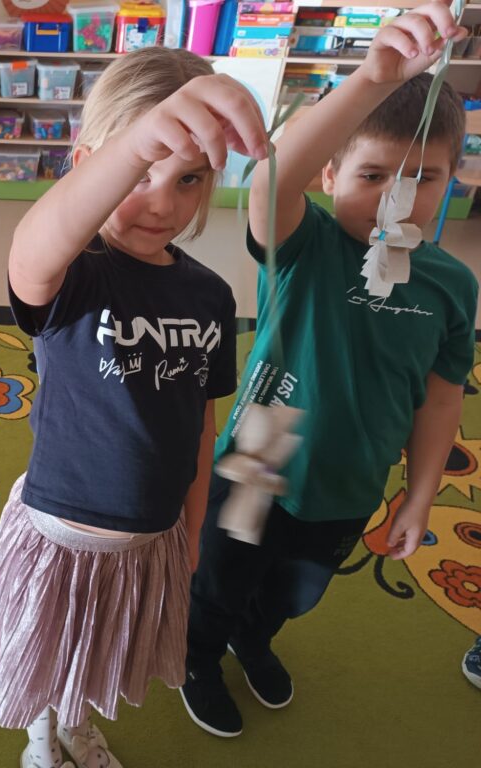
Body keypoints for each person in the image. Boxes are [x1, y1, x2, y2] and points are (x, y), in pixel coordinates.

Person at [182, 0, 477, 739]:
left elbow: (441, 400)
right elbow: (270, 180)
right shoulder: (306, 243)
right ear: (331, 171)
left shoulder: (452, 285)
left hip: (354, 473)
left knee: (295, 591)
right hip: (264, 449)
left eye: (424, 178)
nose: (395, 199)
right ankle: (198, 655)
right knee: (221, 574)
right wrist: (373, 78)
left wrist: (418, 497)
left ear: (454, 180)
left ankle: (253, 638)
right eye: (372, 174)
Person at [0, 48, 268, 768]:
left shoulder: (209, 296)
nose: (162, 203)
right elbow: (33, 247)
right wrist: (135, 144)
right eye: (141, 173)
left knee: (97, 649)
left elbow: (201, 421)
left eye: (188, 179)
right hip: (61, 532)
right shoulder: (76, 273)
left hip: (151, 535)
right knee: (47, 652)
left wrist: (191, 527)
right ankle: (41, 738)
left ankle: (74, 727)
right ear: (92, 164)